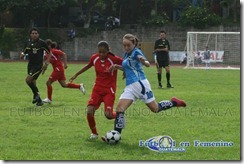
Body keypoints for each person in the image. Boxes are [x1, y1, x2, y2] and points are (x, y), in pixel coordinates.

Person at [102, 34, 187, 142]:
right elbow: (127, 68)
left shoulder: (137, 52)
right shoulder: (126, 54)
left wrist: (143, 61)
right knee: (119, 109)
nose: (126, 47)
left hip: (141, 85)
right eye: (124, 45)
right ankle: (116, 135)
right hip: (130, 87)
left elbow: (147, 64)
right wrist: (116, 67)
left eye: (128, 45)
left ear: (134, 44)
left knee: (155, 109)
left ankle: (174, 102)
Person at [69, 41, 123, 140]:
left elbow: (126, 65)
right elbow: (88, 66)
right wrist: (76, 74)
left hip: (108, 91)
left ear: (108, 51)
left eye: (104, 52)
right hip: (97, 89)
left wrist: (124, 71)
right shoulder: (94, 58)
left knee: (109, 115)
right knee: (89, 111)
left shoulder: (114, 59)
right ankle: (94, 133)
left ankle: (120, 116)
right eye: (100, 52)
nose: (102, 54)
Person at [42, 40, 86, 104]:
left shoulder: (53, 51)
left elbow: (64, 54)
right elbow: (47, 62)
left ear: (49, 45)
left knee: (48, 83)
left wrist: (65, 64)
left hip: (58, 69)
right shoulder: (47, 53)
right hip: (58, 70)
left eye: (47, 45)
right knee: (64, 85)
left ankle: (49, 99)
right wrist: (44, 70)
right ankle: (79, 86)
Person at [20, 27, 51, 106]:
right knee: (33, 82)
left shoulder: (42, 43)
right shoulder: (28, 43)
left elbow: (49, 53)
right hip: (30, 65)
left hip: (38, 66)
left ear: (38, 34)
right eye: (33, 33)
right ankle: (39, 101)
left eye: (36, 33)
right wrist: (22, 54)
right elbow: (24, 51)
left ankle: (36, 95)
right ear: (30, 35)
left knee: (28, 80)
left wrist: (46, 63)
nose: (34, 35)